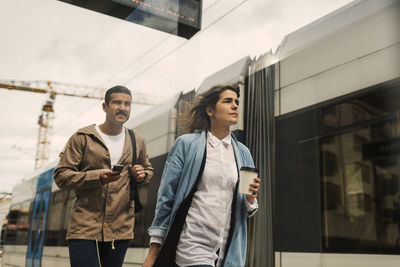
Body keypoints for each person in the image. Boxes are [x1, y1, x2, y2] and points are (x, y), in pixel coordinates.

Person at [143, 83, 261, 267]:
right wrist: (154, 250)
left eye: (236, 101)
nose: (235, 106)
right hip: (193, 246)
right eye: (228, 101)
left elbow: (248, 209)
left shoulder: (243, 153)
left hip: (229, 251)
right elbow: (167, 197)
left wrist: (250, 198)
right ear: (210, 110)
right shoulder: (186, 145)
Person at [54, 85, 154, 267]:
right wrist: (96, 177)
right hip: (84, 228)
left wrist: (142, 174)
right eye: (117, 102)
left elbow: (148, 170)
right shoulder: (82, 137)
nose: (122, 107)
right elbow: (61, 176)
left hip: (120, 229)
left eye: (127, 104)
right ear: (105, 107)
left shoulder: (136, 139)